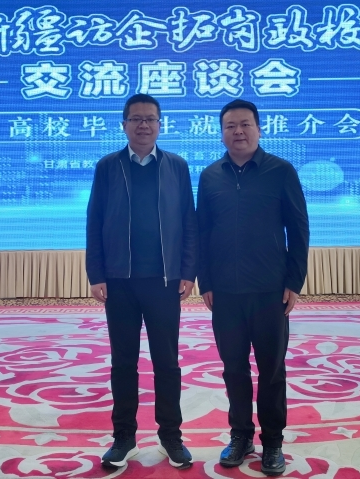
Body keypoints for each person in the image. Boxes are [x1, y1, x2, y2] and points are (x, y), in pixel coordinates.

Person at [197, 99, 309, 477]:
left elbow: (298, 229)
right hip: (225, 293)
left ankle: (273, 442)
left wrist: (293, 281)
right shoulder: (210, 176)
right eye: (230, 126)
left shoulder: (281, 171)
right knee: (234, 369)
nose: (238, 131)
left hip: (269, 291)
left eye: (245, 124)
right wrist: (206, 280)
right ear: (221, 133)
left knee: (271, 371)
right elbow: (202, 232)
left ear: (259, 129)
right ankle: (241, 436)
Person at [86, 93, 197, 470]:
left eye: (150, 118)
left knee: (167, 362)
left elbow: (188, 221)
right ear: (124, 125)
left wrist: (188, 271)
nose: (144, 125)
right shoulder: (108, 166)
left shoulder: (176, 166)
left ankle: (171, 436)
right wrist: (96, 273)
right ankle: (124, 437)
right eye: (136, 119)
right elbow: (94, 221)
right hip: (119, 282)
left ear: (160, 124)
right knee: (123, 363)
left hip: (164, 281)